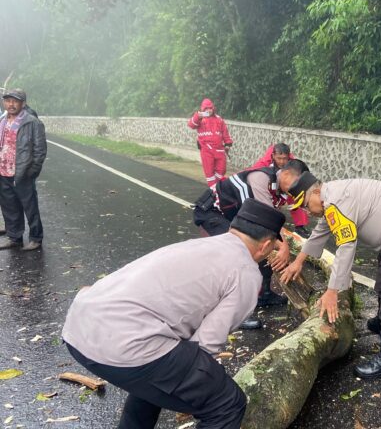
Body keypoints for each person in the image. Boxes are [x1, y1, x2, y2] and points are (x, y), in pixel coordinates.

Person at [62, 199, 285, 429]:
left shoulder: (202, 245)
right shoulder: (246, 273)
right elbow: (206, 345)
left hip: (80, 325)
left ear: (233, 228)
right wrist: (203, 384)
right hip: (122, 342)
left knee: (160, 373)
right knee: (226, 403)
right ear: (266, 245)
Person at [278, 171, 381, 379]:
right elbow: (320, 232)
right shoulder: (329, 199)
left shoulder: (336, 202)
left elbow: (346, 246)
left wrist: (332, 291)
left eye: (305, 204)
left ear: (315, 191)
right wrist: (298, 261)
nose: (307, 211)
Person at [192, 159, 310, 328]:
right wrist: (283, 246)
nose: (296, 190)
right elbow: (265, 218)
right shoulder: (260, 179)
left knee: (264, 246)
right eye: (296, 183)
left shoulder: (279, 189)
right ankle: (233, 313)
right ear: (286, 173)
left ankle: (263, 295)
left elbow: (271, 225)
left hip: (234, 217)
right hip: (212, 213)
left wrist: (280, 245)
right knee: (239, 253)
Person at [0, 89, 47, 251]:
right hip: (3, 171)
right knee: (9, 206)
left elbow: (40, 150)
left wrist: (32, 172)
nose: (11, 104)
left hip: (22, 173)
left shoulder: (32, 122)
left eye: (15, 101)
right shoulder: (3, 121)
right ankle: (14, 237)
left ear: (23, 103)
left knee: (30, 207)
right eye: (8, 101)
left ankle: (35, 238)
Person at [252, 143, 311, 238]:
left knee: (296, 196)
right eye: (279, 158)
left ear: (288, 157)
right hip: (271, 182)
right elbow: (252, 172)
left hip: (286, 183)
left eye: (285, 159)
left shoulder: (292, 163)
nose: (282, 162)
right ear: (273, 156)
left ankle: (300, 226)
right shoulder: (264, 163)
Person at [187, 98, 232, 188]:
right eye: (206, 109)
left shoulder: (219, 119)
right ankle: (214, 191)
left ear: (213, 108)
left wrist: (227, 144)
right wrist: (198, 116)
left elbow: (225, 132)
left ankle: (217, 188)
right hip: (206, 150)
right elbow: (191, 125)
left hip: (219, 150)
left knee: (222, 170)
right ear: (203, 109)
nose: (208, 110)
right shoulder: (200, 119)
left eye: (210, 108)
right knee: (209, 173)